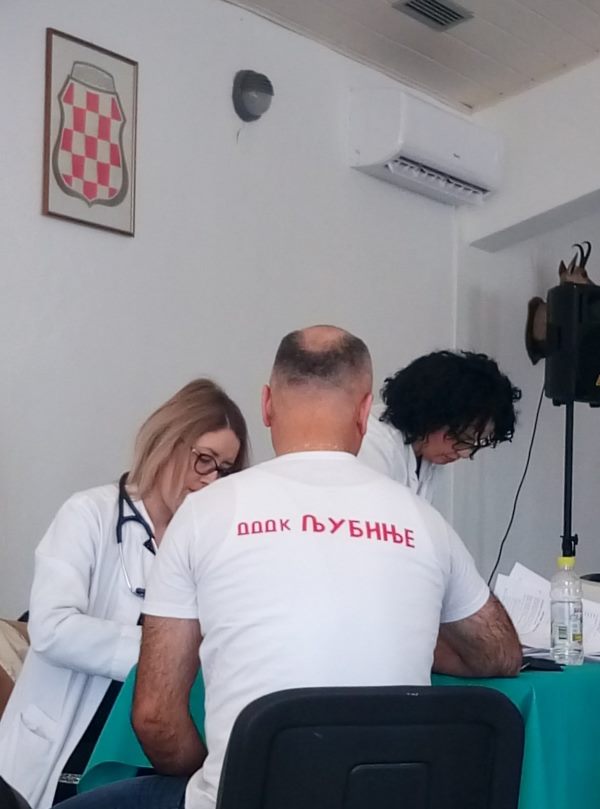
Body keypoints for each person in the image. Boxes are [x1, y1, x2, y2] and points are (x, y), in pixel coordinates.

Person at [56, 326, 520, 809]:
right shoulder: (425, 522)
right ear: (365, 411)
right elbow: (500, 654)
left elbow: (155, 717)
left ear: (266, 406)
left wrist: (219, 779)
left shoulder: (202, 513)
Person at [0, 379, 248, 809]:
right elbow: (52, 628)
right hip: (58, 743)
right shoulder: (90, 515)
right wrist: (162, 655)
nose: (211, 480)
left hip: (143, 753)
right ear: (168, 442)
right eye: (204, 460)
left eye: (225, 470)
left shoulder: (209, 548)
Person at [358, 350, 522, 502]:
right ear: (431, 416)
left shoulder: (428, 455)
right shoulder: (373, 446)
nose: (465, 453)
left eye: (474, 443)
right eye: (463, 438)